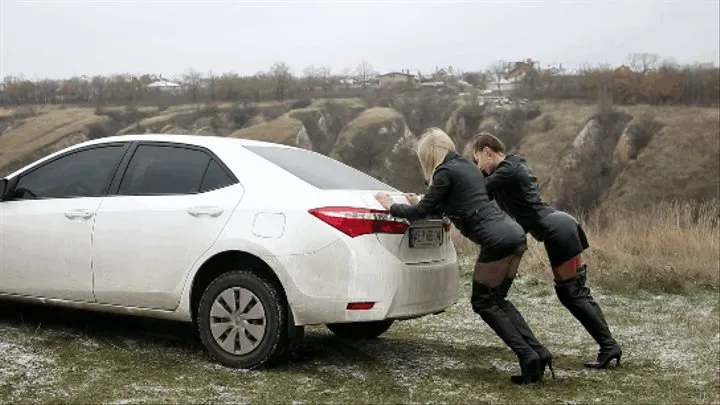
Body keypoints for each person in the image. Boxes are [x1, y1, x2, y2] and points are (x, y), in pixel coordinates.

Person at [374, 128, 552, 384]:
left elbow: (421, 212)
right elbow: (449, 203)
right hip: (513, 235)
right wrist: (421, 200)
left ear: (429, 155)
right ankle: (537, 352)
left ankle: (527, 356)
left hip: (497, 240)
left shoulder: (444, 172)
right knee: (497, 299)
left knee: (483, 302)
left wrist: (389, 205)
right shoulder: (467, 168)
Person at [470, 132, 622, 369]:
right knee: (574, 291)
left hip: (559, 230)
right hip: (560, 228)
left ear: (487, 151)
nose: (479, 167)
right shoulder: (507, 172)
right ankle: (609, 346)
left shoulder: (509, 168)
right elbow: (482, 194)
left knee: (571, 292)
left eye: (478, 160)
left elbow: (477, 188)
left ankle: (609, 346)